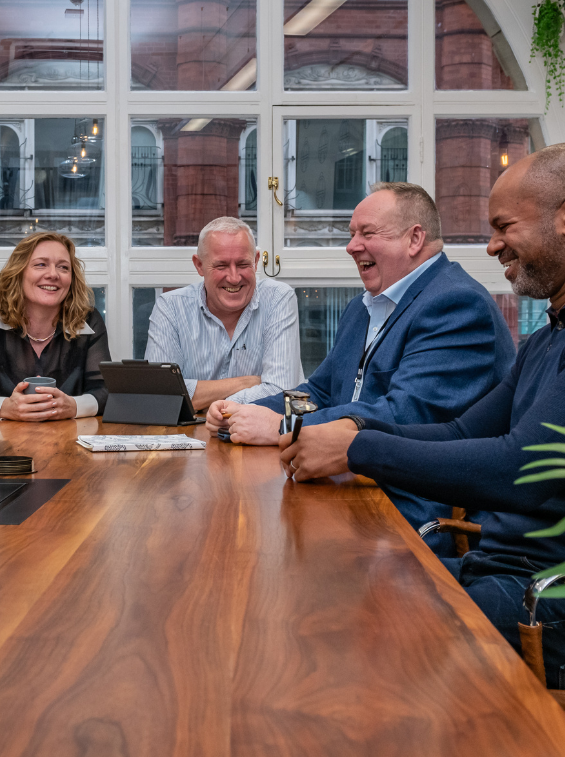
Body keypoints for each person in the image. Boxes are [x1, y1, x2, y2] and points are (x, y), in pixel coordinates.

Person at [279, 146, 565, 685]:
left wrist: (356, 447)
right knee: (330, 587)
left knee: (368, 636)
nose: (491, 244)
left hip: (544, 592)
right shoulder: (544, 340)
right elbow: (459, 431)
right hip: (497, 568)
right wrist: (356, 428)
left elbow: (521, 470)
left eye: (505, 226)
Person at [206, 183, 516, 546]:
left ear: (415, 239)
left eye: (367, 233)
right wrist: (241, 413)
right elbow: (319, 391)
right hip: (346, 484)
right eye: (352, 234)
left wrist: (282, 426)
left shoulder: (458, 304)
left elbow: (407, 413)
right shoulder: (362, 307)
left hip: (407, 511)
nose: (352, 246)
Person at [144, 216, 302, 411]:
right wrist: (245, 383)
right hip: (189, 438)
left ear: (256, 261)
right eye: (221, 266)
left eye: (243, 264)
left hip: (264, 438)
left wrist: (201, 400)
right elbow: (158, 397)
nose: (234, 278)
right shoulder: (170, 307)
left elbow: (280, 393)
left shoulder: (279, 299)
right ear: (199, 265)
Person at [0, 232, 111, 420]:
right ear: (19, 272)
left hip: (71, 440)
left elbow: (105, 391)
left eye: (63, 267)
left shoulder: (89, 320)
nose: (53, 274)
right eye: (41, 264)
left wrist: (74, 406)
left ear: (71, 279)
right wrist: (5, 408)